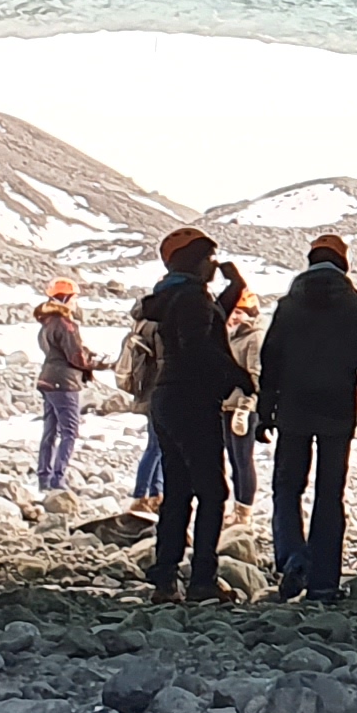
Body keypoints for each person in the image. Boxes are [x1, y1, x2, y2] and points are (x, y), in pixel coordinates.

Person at [257, 233, 357, 603]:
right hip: (337, 410)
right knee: (330, 495)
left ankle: (293, 557)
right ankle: (324, 583)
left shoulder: (289, 305)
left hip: (294, 409)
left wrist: (265, 411)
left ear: (310, 260)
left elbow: (271, 360)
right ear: (344, 263)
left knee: (286, 487)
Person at [134, 228, 248, 603]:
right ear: (195, 260)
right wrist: (238, 377)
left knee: (178, 490)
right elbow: (199, 344)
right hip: (192, 399)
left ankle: (165, 577)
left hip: (166, 398)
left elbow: (209, 322)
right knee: (213, 492)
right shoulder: (193, 297)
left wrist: (235, 288)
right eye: (210, 257)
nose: (215, 264)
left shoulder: (171, 295)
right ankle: (202, 579)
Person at [32, 278, 100, 493]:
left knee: (49, 431)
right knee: (69, 432)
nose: (76, 303)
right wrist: (94, 363)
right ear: (65, 299)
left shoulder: (46, 323)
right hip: (65, 383)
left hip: (47, 379)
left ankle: (44, 477)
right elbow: (75, 356)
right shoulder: (66, 324)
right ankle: (57, 479)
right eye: (75, 298)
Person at [216, 265, 262, 517]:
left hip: (242, 408)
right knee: (233, 460)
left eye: (238, 313)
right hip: (228, 405)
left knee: (243, 460)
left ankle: (244, 510)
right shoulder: (233, 335)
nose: (233, 317)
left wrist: (247, 406)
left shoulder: (254, 337)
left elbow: (255, 374)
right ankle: (236, 508)